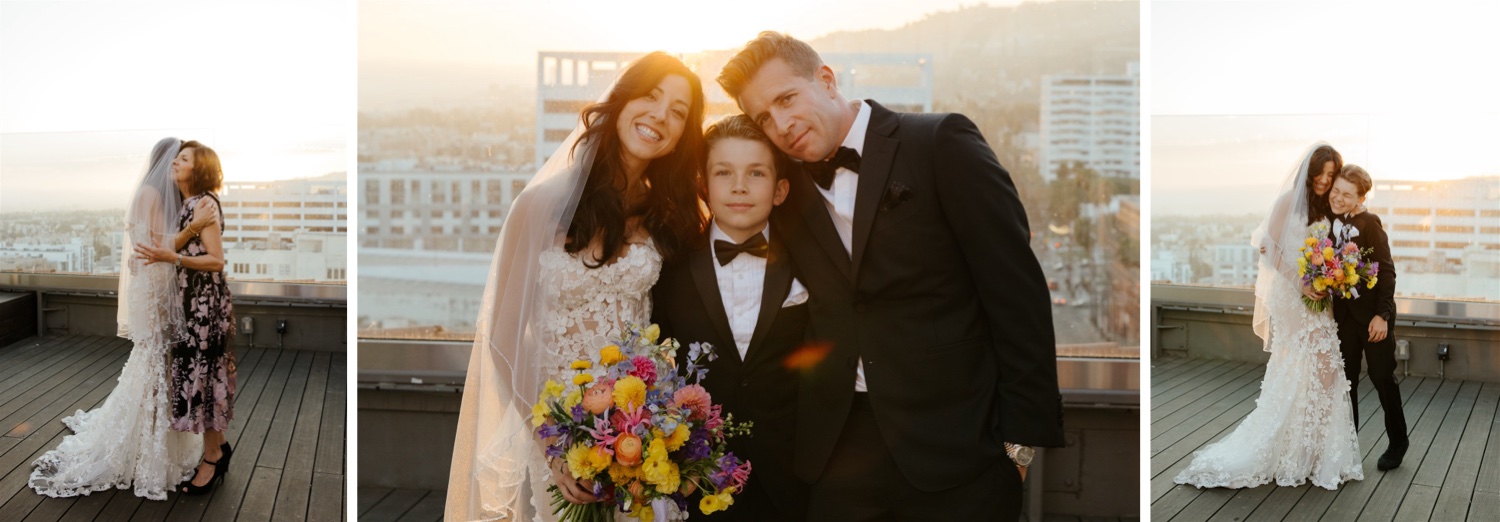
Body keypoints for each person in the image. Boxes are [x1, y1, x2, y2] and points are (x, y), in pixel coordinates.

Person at [718, 32, 1064, 520]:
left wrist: (1020, 449)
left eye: (786, 99)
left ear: (826, 79)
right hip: (836, 456)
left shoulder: (940, 142)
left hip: (959, 450)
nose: (781, 125)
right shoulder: (781, 186)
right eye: (764, 118)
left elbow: (1017, 295)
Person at [445, 52, 708, 521]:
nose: (660, 116)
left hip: (643, 435)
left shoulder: (670, 217)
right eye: (651, 97)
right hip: (561, 433)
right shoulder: (540, 206)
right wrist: (553, 446)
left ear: (678, 139)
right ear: (622, 102)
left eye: (677, 112)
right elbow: (504, 340)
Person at [1174, 143, 1363, 490]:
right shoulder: (1286, 202)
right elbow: (1268, 247)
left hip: (1316, 294)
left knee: (1324, 371)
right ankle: (1288, 450)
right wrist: (1301, 284)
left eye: (1330, 175)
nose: (1324, 180)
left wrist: (1327, 279)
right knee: (1301, 364)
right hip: (1291, 296)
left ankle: (1310, 453)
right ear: (1309, 171)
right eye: (1320, 173)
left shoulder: (1327, 209)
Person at [651, 114, 809, 520]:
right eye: (724, 173)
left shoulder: (813, 263)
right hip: (696, 483)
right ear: (703, 185)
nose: (739, 186)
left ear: (780, 189)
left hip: (796, 484)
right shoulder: (668, 267)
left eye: (756, 173)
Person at [29, 137, 202, 501]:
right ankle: (148, 441)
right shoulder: (153, 196)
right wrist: (193, 230)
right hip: (156, 285)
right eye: (177, 161)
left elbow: (138, 251)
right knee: (156, 356)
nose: (180, 169)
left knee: (158, 359)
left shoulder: (148, 194)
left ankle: (154, 433)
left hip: (154, 281)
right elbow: (160, 244)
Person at [137, 140, 239, 494]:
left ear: (200, 169)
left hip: (205, 307)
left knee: (206, 377)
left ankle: (212, 456)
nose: (175, 163)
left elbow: (216, 261)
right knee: (205, 376)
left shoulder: (204, 202)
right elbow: (173, 247)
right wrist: (184, 238)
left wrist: (175, 258)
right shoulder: (190, 206)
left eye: (184, 159)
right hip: (192, 303)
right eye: (176, 158)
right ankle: (218, 448)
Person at [1327, 164, 1405, 470]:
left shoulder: (1370, 222)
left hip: (1373, 317)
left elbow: (1386, 271)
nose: (1338, 198)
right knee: (1346, 383)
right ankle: (1348, 445)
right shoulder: (1329, 221)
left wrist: (1382, 315)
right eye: (1336, 191)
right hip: (1343, 316)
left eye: (1347, 194)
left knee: (1382, 378)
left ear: (1360, 198)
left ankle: (1398, 442)